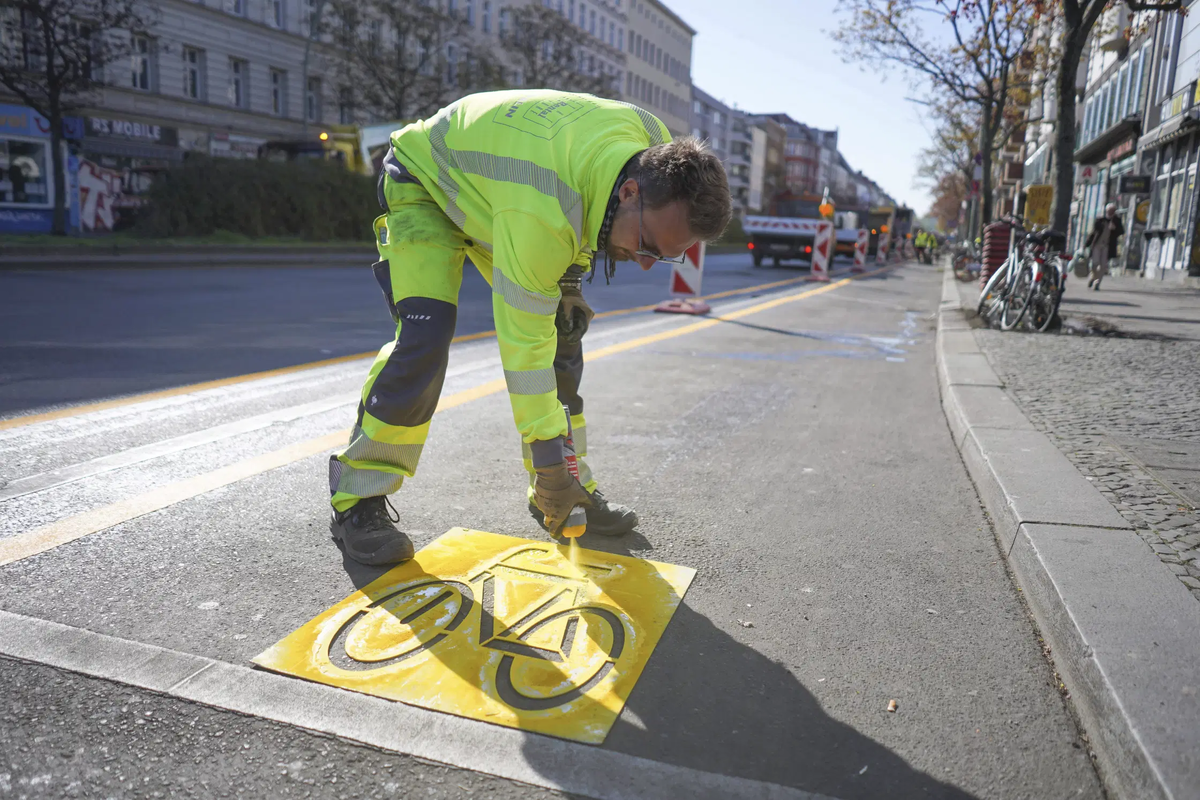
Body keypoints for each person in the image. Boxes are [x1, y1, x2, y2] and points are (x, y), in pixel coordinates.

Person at [326, 89, 733, 566]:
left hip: (505, 190)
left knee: (564, 329)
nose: (645, 265)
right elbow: (523, 348)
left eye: (664, 255)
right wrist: (547, 466)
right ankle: (357, 499)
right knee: (425, 337)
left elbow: (588, 203)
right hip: (429, 182)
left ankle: (568, 483)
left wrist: (571, 279)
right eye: (646, 245)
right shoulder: (542, 207)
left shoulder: (652, 144)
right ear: (630, 192)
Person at [1084, 202, 1124, 290]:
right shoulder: (1100, 219)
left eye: (1113, 211)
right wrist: (1087, 244)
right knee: (1094, 264)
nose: (1111, 212)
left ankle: (1097, 283)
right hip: (1097, 244)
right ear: (1107, 211)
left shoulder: (1116, 220)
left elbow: (1121, 231)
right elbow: (1094, 232)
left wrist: (1115, 229)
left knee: (1103, 265)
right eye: (1110, 211)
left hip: (1107, 246)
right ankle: (1093, 277)